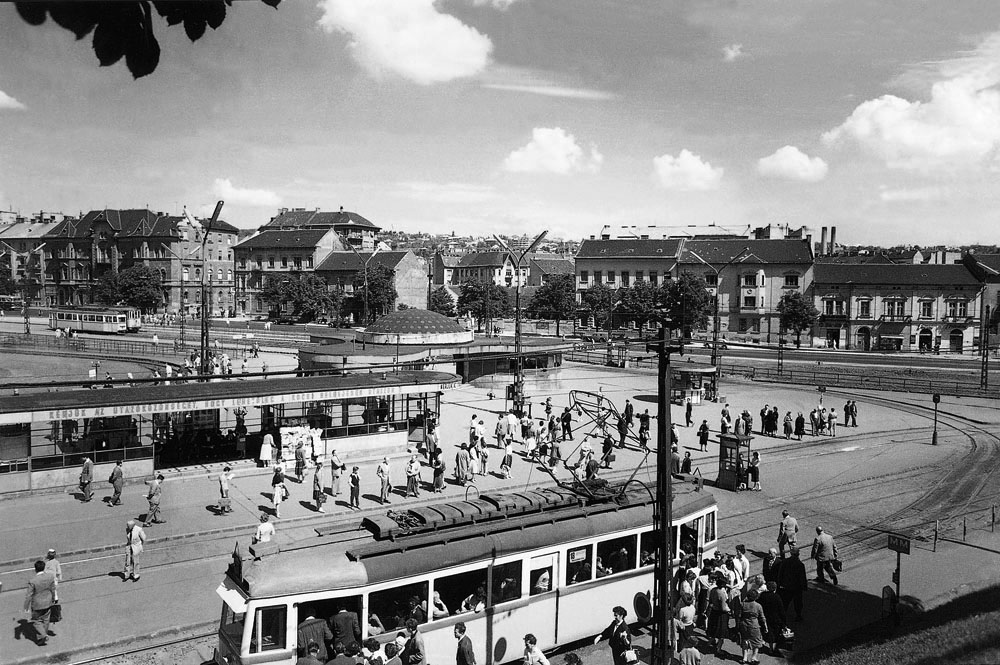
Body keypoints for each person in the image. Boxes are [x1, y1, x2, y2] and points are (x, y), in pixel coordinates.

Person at [23, 560, 56, 645]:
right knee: (46, 620)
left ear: (35, 569)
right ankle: (41, 639)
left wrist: (26, 607)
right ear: (44, 567)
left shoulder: (33, 581)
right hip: (48, 602)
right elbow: (53, 589)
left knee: (36, 621)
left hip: (37, 605)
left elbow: (29, 595)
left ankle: (43, 635)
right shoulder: (50, 577)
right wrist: (53, 599)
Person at [738, 588, 768, 665]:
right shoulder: (758, 606)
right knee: (756, 642)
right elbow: (762, 618)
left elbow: (739, 615)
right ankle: (753, 658)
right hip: (754, 625)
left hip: (744, 624)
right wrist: (765, 627)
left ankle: (744, 658)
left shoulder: (742, 604)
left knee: (745, 640)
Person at [776, 548, 807, 621]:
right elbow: (802, 577)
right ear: (798, 554)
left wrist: (779, 583)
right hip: (797, 587)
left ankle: (782, 615)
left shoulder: (785, 561)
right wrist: (804, 587)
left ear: (790, 553)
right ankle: (798, 615)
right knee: (798, 602)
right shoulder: (800, 564)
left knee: (785, 602)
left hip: (786, 586)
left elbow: (780, 573)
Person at [758, 581, 787, 656]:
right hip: (776, 618)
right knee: (776, 633)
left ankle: (770, 648)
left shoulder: (763, 596)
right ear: (775, 588)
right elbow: (781, 610)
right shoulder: (777, 597)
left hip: (766, 616)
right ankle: (775, 648)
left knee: (769, 632)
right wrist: (784, 622)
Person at [706, 574, 731, 656]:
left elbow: (710, 601)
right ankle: (719, 649)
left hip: (714, 612)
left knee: (713, 630)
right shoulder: (721, 594)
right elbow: (724, 608)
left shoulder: (713, 590)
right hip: (721, 614)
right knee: (721, 633)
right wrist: (729, 610)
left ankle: (709, 643)